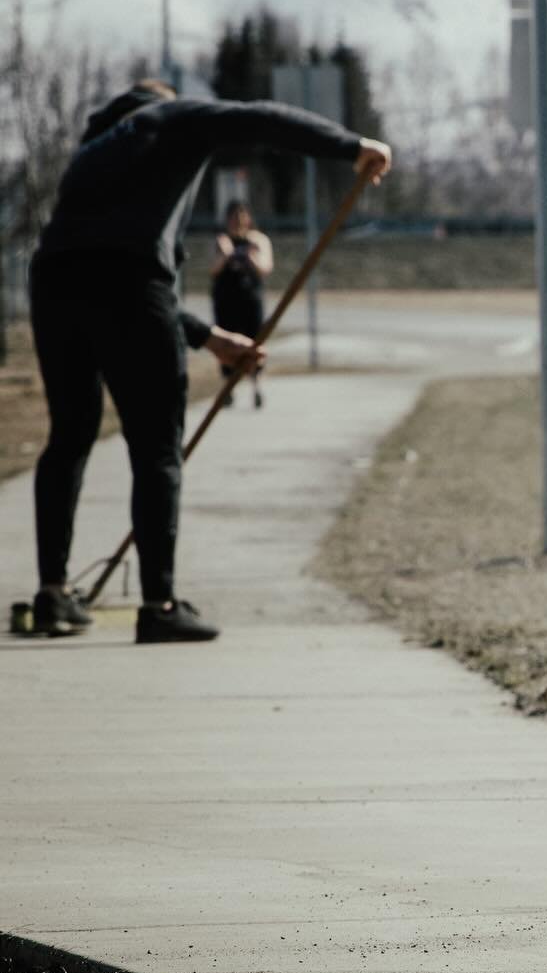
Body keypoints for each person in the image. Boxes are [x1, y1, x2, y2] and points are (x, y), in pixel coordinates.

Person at [28, 79, 391, 643]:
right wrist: (350, 146)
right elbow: (260, 117)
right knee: (156, 447)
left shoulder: (94, 150)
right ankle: (159, 604)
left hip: (54, 283)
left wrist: (209, 337)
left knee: (70, 435)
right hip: (128, 285)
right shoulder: (172, 118)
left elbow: (109, 265)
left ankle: (51, 594)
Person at [210, 199, 273, 409]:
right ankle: (228, 387)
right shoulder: (222, 242)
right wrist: (226, 255)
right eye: (233, 216)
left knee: (255, 343)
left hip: (250, 299)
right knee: (226, 341)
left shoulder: (258, 240)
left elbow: (265, 268)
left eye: (241, 215)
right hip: (226, 300)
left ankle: (257, 387)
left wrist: (251, 256)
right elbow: (213, 270)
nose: (237, 220)